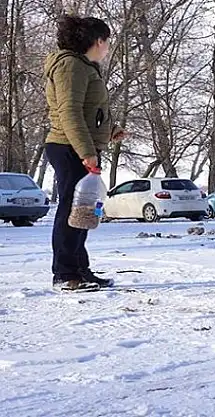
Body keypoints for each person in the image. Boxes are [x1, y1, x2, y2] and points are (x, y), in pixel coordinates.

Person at [44, 14, 125, 291]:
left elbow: (90, 111)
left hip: (80, 146)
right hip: (69, 148)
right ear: (98, 41)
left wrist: (109, 130)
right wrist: (86, 152)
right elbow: (69, 112)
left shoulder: (83, 66)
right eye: (107, 42)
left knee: (84, 213)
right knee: (71, 211)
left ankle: (80, 270)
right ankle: (64, 274)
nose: (107, 48)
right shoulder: (70, 66)